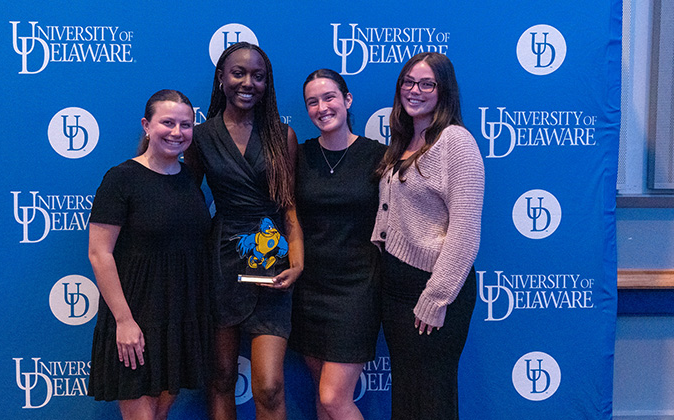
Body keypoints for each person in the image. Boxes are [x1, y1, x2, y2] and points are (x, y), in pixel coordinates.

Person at [184, 41, 303, 420]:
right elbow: (186, 201)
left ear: (268, 84)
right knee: (220, 377)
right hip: (222, 262)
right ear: (221, 78)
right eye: (238, 73)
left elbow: (288, 206)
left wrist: (298, 263)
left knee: (268, 385)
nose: (248, 82)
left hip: (273, 263)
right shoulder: (200, 137)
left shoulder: (283, 136)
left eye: (258, 76)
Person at [370, 52, 484, 419]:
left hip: (434, 289)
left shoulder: (456, 142)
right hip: (396, 290)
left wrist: (437, 297)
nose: (414, 90)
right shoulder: (403, 140)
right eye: (408, 82)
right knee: (406, 396)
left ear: (443, 90)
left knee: (433, 397)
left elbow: (465, 230)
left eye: (426, 84)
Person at [88, 89, 211, 420]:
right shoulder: (121, 178)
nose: (177, 132)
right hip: (136, 316)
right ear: (146, 125)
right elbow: (99, 253)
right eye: (167, 123)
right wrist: (124, 321)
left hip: (179, 317)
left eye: (186, 125)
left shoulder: (190, 179)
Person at [289, 69, 386, 420]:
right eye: (312, 102)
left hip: (357, 289)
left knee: (333, 398)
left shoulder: (378, 156)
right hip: (309, 289)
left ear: (347, 100)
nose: (322, 107)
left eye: (329, 97)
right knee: (321, 395)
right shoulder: (299, 156)